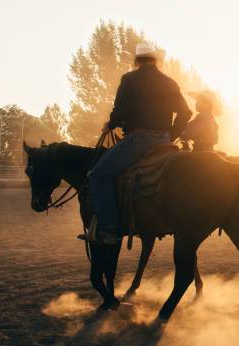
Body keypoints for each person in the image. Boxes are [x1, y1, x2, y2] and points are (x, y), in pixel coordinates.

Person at [79, 43, 192, 245]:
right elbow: (186, 113)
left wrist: (111, 125)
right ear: (155, 60)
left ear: (137, 60)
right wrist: (170, 135)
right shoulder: (169, 82)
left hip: (139, 140)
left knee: (98, 175)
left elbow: (120, 109)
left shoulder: (130, 79)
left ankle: (109, 229)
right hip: (164, 142)